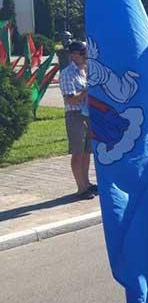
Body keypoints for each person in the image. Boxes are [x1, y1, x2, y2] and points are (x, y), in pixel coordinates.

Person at [58, 40, 96, 199]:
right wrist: (88, 89)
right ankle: (80, 188)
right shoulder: (67, 74)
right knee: (77, 153)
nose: (86, 56)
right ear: (74, 55)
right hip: (75, 116)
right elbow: (70, 100)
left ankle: (86, 183)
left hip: (88, 115)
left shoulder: (85, 70)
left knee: (87, 152)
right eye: (83, 53)